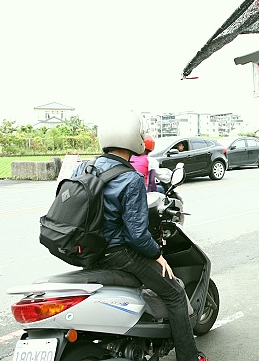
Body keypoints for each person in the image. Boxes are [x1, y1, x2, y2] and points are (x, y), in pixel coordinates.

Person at [73, 110, 207, 361]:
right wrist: (158, 255)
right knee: (175, 294)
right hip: (118, 255)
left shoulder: (84, 167)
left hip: (87, 252)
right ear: (133, 139)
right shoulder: (129, 178)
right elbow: (136, 235)